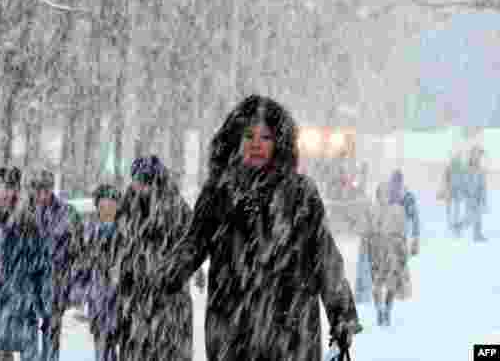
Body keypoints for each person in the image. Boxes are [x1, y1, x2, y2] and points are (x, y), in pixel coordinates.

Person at [157, 95, 362, 361]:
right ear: (235, 141)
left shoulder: (301, 194)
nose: (256, 144)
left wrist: (341, 313)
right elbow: (193, 244)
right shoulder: (219, 193)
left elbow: (324, 257)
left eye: (265, 137)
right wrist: (163, 277)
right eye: (249, 136)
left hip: (291, 333)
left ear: (279, 143)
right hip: (232, 332)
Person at [111, 156, 196, 361]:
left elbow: (191, 249)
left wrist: (168, 275)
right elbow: (118, 249)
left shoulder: (175, 209)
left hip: (167, 303)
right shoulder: (127, 208)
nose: (140, 186)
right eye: (137, 180)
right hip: (135, 301)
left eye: (145, 180)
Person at [0, 167, 51, 361]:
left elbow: (41, 269)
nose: (3, 193)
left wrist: (41, 305)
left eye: (9, 187)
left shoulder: (27, 225)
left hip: (20, 314)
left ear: (16, 192)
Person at [31, 169, 82, 361]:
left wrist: (70, 280)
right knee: (30, 337)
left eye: (44, 189)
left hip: (56, 283)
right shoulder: (29, 212)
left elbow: (77, 251)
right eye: (37, 189)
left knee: (51, 332)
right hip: (32, 283)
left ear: (51, 189)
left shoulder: (67, 213)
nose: (41, 193)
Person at [79, 184, 120, 361]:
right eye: (103, 207)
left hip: (120, 304)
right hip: (99, 303)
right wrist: (82, 293)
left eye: (111, 206)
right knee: (102, 351)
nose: (107, 211)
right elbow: (82, 267)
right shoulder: (90, 233)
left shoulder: (126, 233)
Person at [361, 182, 409, 327]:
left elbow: (402, 232)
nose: (384, 196)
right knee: (377, 283)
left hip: (391, 251)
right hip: (376, 251)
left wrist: (402, 250)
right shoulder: (371, 210)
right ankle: (379, 310)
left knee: (391, 284)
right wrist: (368, 243)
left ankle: (387, 310)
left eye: (387, 193)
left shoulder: (398, 210)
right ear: (378, 195)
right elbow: (366, 230)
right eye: (382, 193)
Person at [387, 169, 420, 255]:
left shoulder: (407, 197)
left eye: (396, 182)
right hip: (388, 237)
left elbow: (415, 219)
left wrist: (415, 240)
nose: (394, 186)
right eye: (393, 182)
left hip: (399, 236)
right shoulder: (386, 196)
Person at [465, 145, 488, 242]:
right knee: (474, 216)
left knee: (477, 215)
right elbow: (467, 181)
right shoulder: (470, 167)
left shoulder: (480, 168)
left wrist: (483, 197)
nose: (479, 157)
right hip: (472, 195)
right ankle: (476, 234)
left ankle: (477, 234)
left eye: (480, 155)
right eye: (477, 154)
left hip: (478, 194)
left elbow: (482, 183)